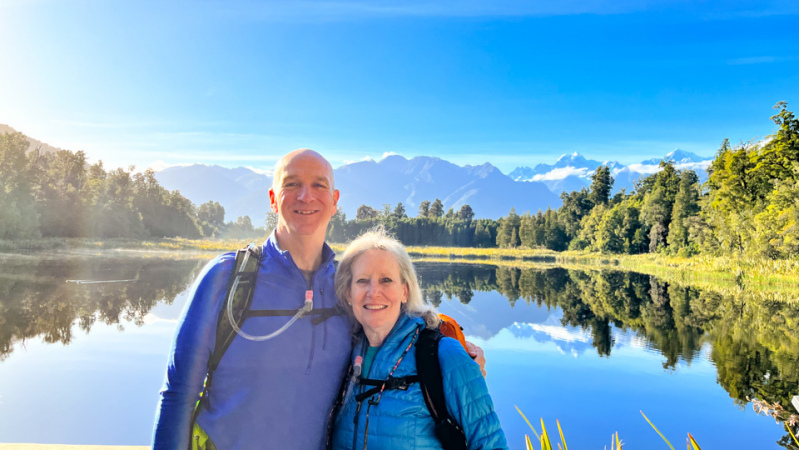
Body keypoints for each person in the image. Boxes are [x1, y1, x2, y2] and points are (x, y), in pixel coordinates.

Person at [153, 149, 485, 449]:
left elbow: (400, 331)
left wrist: (455, 349)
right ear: (273, 198)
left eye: (319, 185)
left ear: (335, 200)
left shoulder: (349, 286)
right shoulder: (226, 279)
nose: (306, 195)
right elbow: (177, 395)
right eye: (292, 183)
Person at [330, 229, 508, 450]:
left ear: (405, 290)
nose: (374, 291)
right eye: (362, 280)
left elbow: (491, 444)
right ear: (348, 293)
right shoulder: (341, 355)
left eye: (386, 280)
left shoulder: (444, 354)